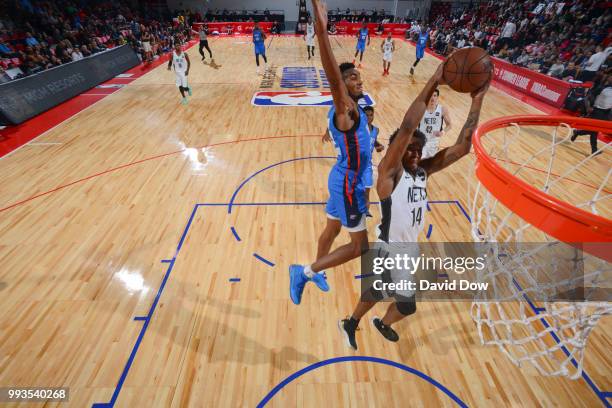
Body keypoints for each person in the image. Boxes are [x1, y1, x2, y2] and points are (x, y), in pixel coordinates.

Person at [338, 65, 490, 350]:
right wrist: (433, 80)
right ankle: (351, 322)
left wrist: (477, 99)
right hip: (388, 246)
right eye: (410, 148)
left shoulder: (422, 171)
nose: (415, 153)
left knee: (406, 307)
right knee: (378, 291)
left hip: (410, 248)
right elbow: (408, 127)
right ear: (397, 148)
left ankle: (381, 322)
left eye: (419, 150)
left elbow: (462, 147)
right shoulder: (389, 172)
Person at [289, 0, 373, 305]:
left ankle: (315, 271)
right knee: (359, 247)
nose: (358, 81)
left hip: (343, 178)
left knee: (331, 229)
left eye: (359, 77)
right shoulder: (345, 107)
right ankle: (306, 271)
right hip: (347, 182)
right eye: (352, 78)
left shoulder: (355, 108)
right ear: (343, 86)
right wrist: (322, 30)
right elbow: (332, 76)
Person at [570, 74, 611, 155]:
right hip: (597, 111)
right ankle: (594, 150)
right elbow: (588, 96)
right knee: (594, 131)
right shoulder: (602, 88)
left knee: (594, 130)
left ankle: (578, 132)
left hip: (606, 112)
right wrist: (589, 107)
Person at [418, 89, 453, 159]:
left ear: (437, 97)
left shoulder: (442, 109)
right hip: (421, 140)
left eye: (435, 96)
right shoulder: (421, 109)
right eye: (431, 96)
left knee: (429, 164)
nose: (432, 98)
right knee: (420, 160)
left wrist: (442, 132)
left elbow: (449, 125)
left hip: (434, 141)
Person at [362, 106, 385, 213]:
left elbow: (373, 141)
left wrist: (378, 146)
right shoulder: (358, 129)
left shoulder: (376, 130)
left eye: (371, 115)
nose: (369, 117)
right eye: (366, 115)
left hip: (367, 166)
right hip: (355, 165)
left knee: (367, 194)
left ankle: (364, 218)